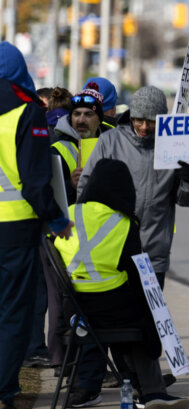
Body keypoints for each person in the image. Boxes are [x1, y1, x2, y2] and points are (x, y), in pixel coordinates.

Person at [54, 158, 189, 409]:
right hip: (110, 307)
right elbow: (133, 271)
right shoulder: (123, 222)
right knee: (142, 318)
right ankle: (149, 390)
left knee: (130, 315)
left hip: (74, 309)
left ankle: (118, 386)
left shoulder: (68, 213)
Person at [0, 41, 73, 409]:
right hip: (14, 231)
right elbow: (34, 182)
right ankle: (4, 390)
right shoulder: (26, 112)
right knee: (14, 312)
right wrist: (57, 218)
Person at [78, 85, 189, 288]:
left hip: (154, 254)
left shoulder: (176, 145)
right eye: (139, 120)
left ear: (161, 119)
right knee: (117, 317)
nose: (144, 126)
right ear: (131, 116)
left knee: (151, 319)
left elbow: (188, 200)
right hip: (112, 251)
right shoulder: (110, 142)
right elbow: (85, 188)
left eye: (151, 121)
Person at [52, 86, 104, 204]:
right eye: (76, 114)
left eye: (88, 114)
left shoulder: (112, 145)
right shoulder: (57, 150)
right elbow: (48, 192)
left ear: (99, 119)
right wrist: (70, 185)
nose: (81, 120)